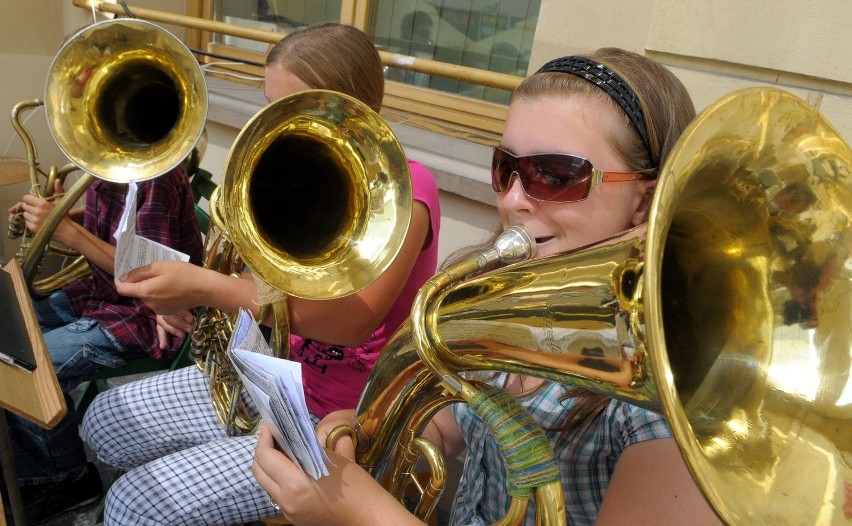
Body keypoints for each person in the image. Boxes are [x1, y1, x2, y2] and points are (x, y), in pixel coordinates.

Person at [251, 48, 723, 525]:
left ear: (644, 203)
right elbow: (453, 423)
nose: (513, 200)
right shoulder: (508, 294)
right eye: (506, 168)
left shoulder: (674, 399)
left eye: (556, 175)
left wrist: (355, 510)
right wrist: (368, 428)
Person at [82, 22, 442, 526]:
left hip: (335, 419)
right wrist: (186, 297)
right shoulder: (285, 169)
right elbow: (250, 279)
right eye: (270, 105)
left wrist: (210, 287)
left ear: (347, 103)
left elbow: (352, 322)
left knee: (135, 505)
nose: (273, 122)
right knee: (104, 422)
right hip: (266, 377)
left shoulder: (410, 186)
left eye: (289, 106)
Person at [3, 163, 203, 523]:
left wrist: (65, 229)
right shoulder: (112, 162)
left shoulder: (156, 177)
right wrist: (57, 215)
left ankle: (66, 478)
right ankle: (34, 458)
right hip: (99, 294)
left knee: (28, 367)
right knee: (9, 327)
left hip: (144, 316)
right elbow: (117, 231)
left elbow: (153, 275)